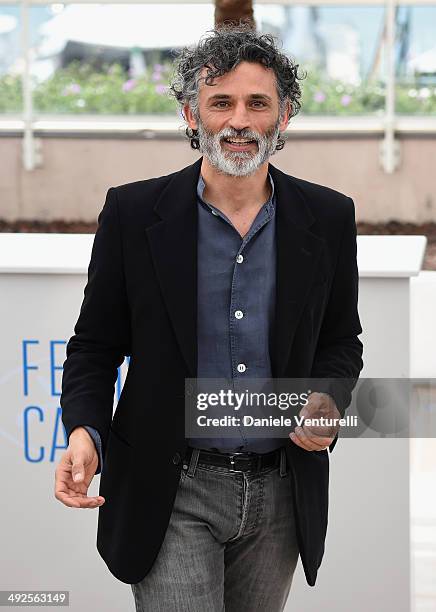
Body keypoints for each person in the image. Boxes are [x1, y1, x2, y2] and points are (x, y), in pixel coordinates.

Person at [55, 23, 363, 612]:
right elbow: (94, 347)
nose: (238, 120)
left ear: (285, 116)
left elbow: (340, 340)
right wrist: (84, 431)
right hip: (171, 490)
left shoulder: (327, 217)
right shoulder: (133, 212)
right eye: (220, 102)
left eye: (257, 103)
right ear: (192, 115)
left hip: (280, 494)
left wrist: (327, 398)